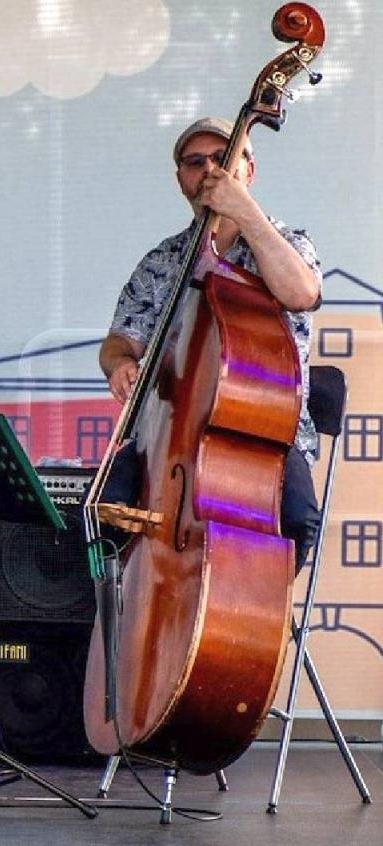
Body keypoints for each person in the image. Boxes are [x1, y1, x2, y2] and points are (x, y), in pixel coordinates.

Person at [98, 116, 322, 570]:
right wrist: (120, 362)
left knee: (297, 521)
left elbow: (301, 294)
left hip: (264, 437)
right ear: (180, 178)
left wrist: (246, 214)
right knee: (104, 514)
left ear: (248, 173)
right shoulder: (162, 260)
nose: (209, 170)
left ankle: (259, 623)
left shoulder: (286, 243)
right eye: (194, 162)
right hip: (169, 436)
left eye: (223, 160)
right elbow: (120, 339)